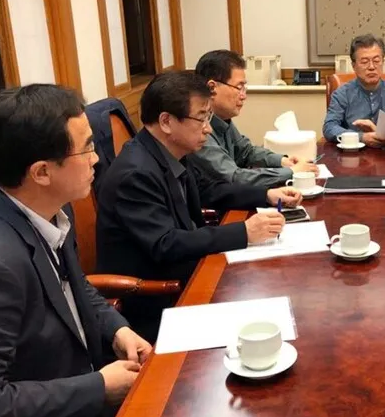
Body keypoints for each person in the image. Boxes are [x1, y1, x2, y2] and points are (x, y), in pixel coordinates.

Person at [0, 85, 150, 417]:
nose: (97, 157)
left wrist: (117, 330)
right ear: (42, 172)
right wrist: (99, 387)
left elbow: (75, 286)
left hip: (92, 393)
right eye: (87, 148)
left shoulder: (50, 208)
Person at [96, 71, 301, 341]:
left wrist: (266, 195)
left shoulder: (170, 151)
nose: (208, 128)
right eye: (202, 118)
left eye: (209, 117)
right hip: (158, 302)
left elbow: (210, 191)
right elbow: (165, 243)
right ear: (167, 121)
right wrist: (244, 232)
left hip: (191, 274)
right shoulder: (135, 174)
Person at [191, 49, 318, 188]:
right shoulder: (197, 127)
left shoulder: (222, 119)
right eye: (239, 87)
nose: (243, 95)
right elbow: (233, 177)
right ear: (212, 88)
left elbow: (246, 152)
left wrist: (283, 161)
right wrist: (292, 172)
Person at [322, 34, 385, 146]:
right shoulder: (342, 94)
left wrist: (380, 133)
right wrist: (361, 137)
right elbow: (329, 128)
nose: (371, 67)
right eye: (364, 61)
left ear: (382, 62)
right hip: (352, 155)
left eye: (376, 60)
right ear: (354, 66)